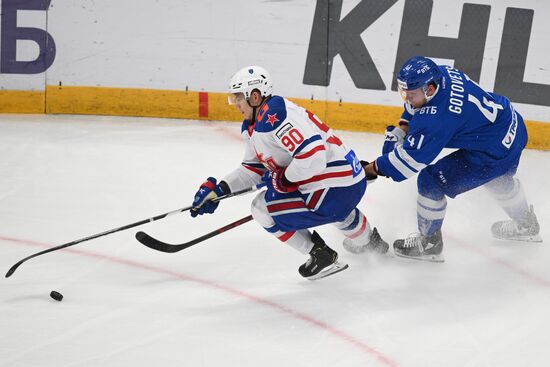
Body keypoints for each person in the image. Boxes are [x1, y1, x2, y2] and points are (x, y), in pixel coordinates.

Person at [190, 65, 388, 279]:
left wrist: (283, 179)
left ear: (254, 96)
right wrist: (221, 189)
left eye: (238, 97)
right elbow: (253, 169)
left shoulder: (273, 119)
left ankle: (320, 255)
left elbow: (313, 156)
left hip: (334, 189)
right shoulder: (259, 121)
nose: (235, 104)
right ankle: (370, 242)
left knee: (261, 208)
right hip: (348, 181)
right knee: (333, 207)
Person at [363, 56, 542, 262]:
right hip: (513, 126)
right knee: (497, 179)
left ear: (429, 89)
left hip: (494, 149)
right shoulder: (442, 73)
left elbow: (407, 163)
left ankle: (429, 243)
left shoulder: (438, 119)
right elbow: (417, 106)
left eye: (410, 94)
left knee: (430, 182)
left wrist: (372, 168)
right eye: (403, 92)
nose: (406, 98)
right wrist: (404, 125)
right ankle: (527, 224)